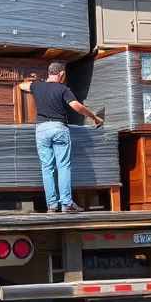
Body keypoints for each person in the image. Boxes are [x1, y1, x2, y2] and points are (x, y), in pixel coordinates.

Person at [19, 62, 103, 213]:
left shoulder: (37, 86)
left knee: (47, 167)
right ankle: (66, 204)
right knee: (63, 166)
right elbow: (76, 106)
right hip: (58, 128)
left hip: (42, 129)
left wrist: (35, 80)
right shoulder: (63, 89)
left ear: (49, 73)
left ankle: (52, 205)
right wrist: (94, 117)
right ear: (61, 74)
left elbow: (21, 86)